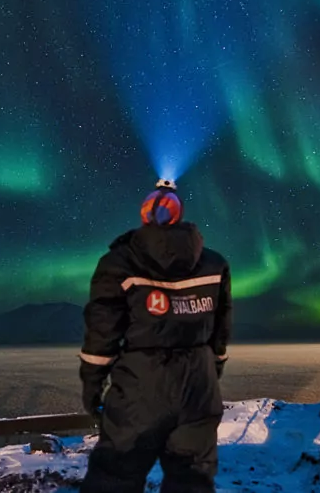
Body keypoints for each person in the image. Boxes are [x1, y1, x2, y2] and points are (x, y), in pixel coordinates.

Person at [78, 180, 232, 493]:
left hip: (141, 386)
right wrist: (211, 369)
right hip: (199, 387)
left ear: (144, 213)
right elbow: (221, 328)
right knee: (192, 480)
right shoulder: (214, 265)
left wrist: (92, 385)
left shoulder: (119, 263)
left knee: (115, 477)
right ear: (179, 214)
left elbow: (103, 331)